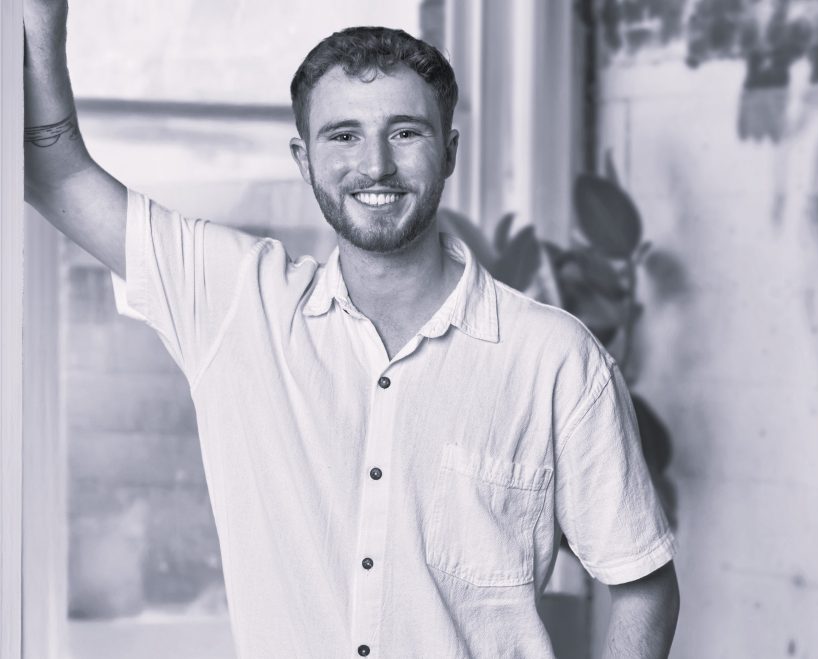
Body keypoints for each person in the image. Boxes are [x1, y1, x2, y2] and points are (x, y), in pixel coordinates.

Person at [24, 1, 680, 657]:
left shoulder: (555, 359)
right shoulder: (236, 305)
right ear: (303, 158)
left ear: (450, 152)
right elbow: (55, 170)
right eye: (343, 135)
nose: (376, 166)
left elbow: (643, 584)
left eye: (406, 132)